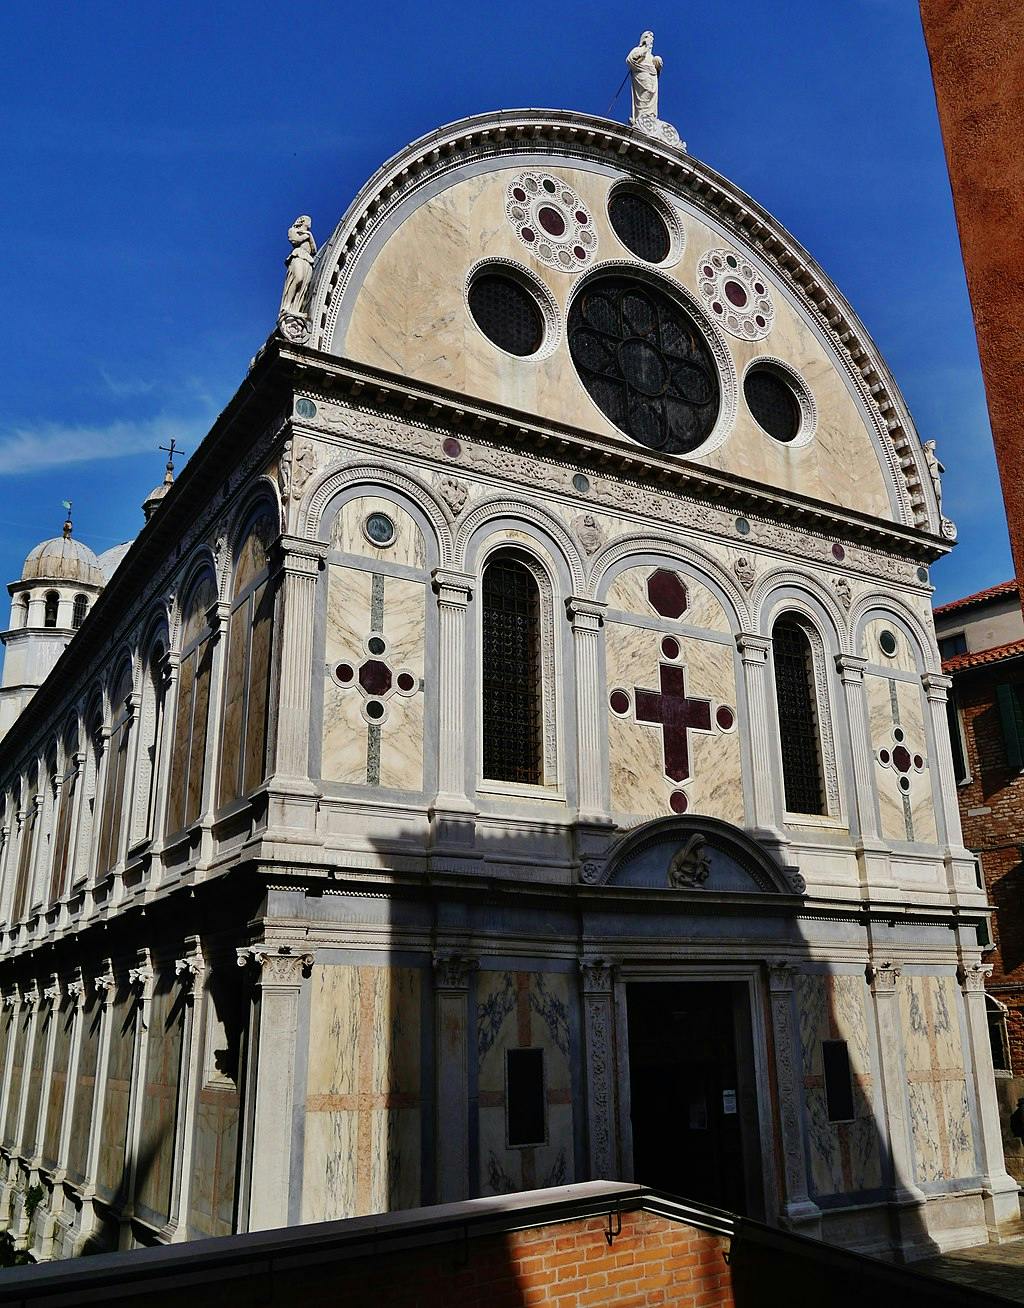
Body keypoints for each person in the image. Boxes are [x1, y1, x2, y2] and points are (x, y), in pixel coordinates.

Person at [280, 216, 317, 320]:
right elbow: (295, 240)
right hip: (298, 255)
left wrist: (309, 235)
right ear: (303, 221)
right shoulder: (293, 230)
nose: (310, 223)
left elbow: (314, 250)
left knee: (303, 287)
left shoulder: (308, 234)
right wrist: (307, 236)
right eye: (308, 220)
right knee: (298, 278)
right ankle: (287, 306)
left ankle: (295, 308)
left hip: (308, 259)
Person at [627, 31, 663, 123]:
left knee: (652, 94)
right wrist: (645, 48)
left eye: (652, 39)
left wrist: (658, 63)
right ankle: (642, 117)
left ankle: (650, 116)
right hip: (641, 73)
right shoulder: (638, 50)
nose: (651, 40)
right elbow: (630, 60)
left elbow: (657, 69)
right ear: (644, 39)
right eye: (648, 37)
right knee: (645, 92)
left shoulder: (652, 56)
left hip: (652, 75)